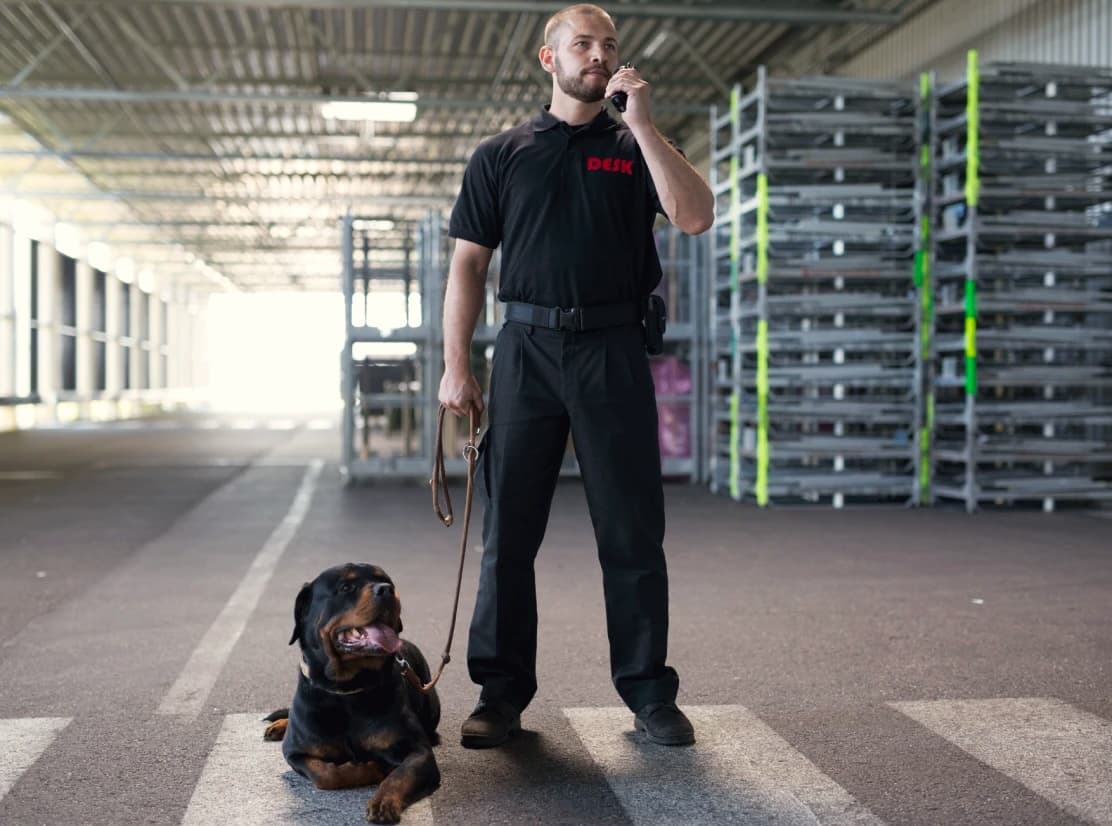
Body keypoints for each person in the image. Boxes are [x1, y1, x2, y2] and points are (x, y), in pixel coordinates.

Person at [438, 3, 713, 749]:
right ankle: (500, 695)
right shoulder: (501, 155)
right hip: (525, 351)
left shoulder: (635, 150)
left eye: (610, 45)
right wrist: (456, 365)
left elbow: (693, 217)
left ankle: (649, 693)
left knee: (631, 532)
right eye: (583, 44)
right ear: (548, 59)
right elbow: (468, 264)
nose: (599, 55)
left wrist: (646, 125)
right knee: (509, 535)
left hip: (613, 351)